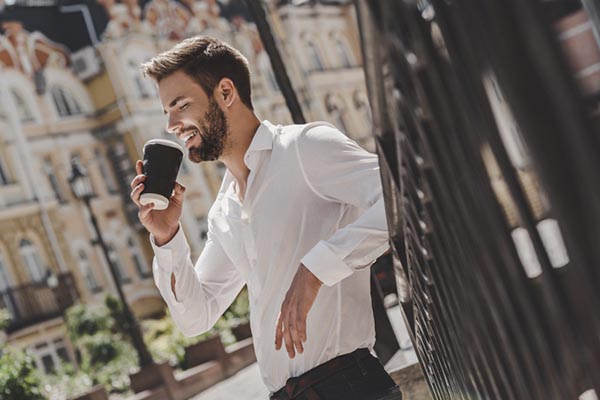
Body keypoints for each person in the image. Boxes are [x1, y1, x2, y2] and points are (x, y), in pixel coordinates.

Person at [130, 36, 402, 400]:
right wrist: (167, 238)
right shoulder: (224, 209)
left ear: (226, 92)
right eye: (167, 112)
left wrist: (316, 269)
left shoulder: (305, 147)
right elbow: (197, 316)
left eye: (180, 105)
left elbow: (397, 195)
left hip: (348, 386)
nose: (172, 125)